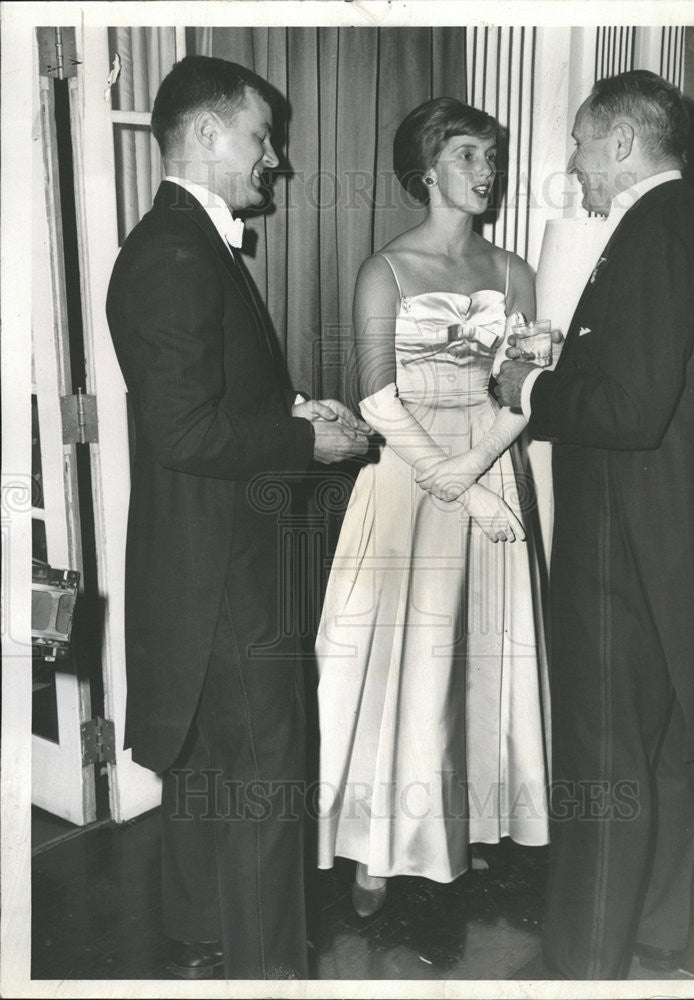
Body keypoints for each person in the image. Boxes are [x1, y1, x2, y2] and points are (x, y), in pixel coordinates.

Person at [106, 55, 371, 980]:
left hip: (208, 565)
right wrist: (311, 447)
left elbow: (212, 399)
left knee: (210, 775)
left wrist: (293, 410)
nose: (278, 160)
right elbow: (186, 432)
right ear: (210, 134)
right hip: (229, 577)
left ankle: (199, 944)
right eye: (265, 137)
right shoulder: (179, 252)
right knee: (264, 783)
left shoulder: (180, 243)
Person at [495, 70, 694, 980]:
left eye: (581, 147)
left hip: (619, 549)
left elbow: (628, 413)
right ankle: (655, 935)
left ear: (623, 145)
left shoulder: (652, 236)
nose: (573, 167)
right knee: (662, 753)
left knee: (603, 762)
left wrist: (532, 389)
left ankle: (582, 966)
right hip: (673, 543)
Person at [315, 97, 551, 918]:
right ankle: (377, 849)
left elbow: (521, 392)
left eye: (491, 157)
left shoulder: (515, 271)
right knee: (397, 668)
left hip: (488, 471)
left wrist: (480, 474)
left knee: (477, 665)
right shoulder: (385, 270)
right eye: (466, 156)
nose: (485, 173)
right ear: (426, 168)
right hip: (408, 485)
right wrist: (450, 480)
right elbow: (375, 398)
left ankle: (462, 825)